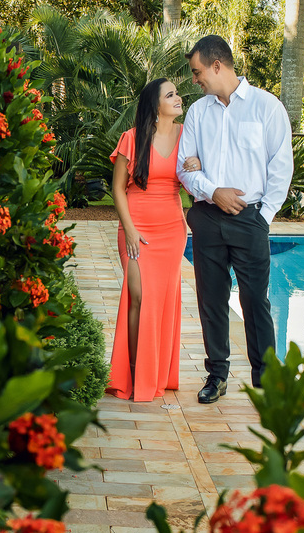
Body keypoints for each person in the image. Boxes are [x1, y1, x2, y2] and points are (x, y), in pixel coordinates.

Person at [176, 35, 292, 404]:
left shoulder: (267, 107)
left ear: (217, 65)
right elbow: (184, 168)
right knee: (212, 300)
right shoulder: (198, 113)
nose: (195, 81)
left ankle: (267, 383)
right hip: (208, 218)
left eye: (197, 72)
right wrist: (214, 192)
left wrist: (265, 216)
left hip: (250, 219)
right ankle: (217, 376)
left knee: (256, 302)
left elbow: (281, 167)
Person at [106, 78, 201, 402]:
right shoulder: (131, 139)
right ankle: (134, 373)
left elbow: (193, 183)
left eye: (177, 93)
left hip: (172, 230)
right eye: (170, 94)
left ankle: (154, 373)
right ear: (154, 104)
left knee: (159, 302)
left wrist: (198, 165)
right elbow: (118, 188)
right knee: (138, 296)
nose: (178, 98)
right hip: (136, 227)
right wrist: (129, 228)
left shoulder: (187, 135)